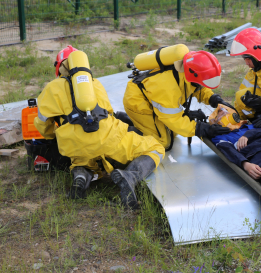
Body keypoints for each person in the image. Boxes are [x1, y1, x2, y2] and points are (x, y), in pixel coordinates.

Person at [34, 45, 165, 208]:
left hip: (74, 146)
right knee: (156, 148)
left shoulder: (50, 89)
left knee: (80, 161)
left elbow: (42, 123)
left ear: (59, 67)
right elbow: (108, 113)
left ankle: (80, 178)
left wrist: (52, 136)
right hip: (109, 140)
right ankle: (130, 176)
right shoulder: (94, 84)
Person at [123, 50, 232, 150]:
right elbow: (172, 119)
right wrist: (200, 129)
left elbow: (198, 86)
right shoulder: (168, 87)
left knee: (173, 133)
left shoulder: (187, 71)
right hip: (139, 102)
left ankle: (133, 122)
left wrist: (213, 99)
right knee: (162, 143)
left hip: (154, 98)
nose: (202, 85)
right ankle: (123, 133)